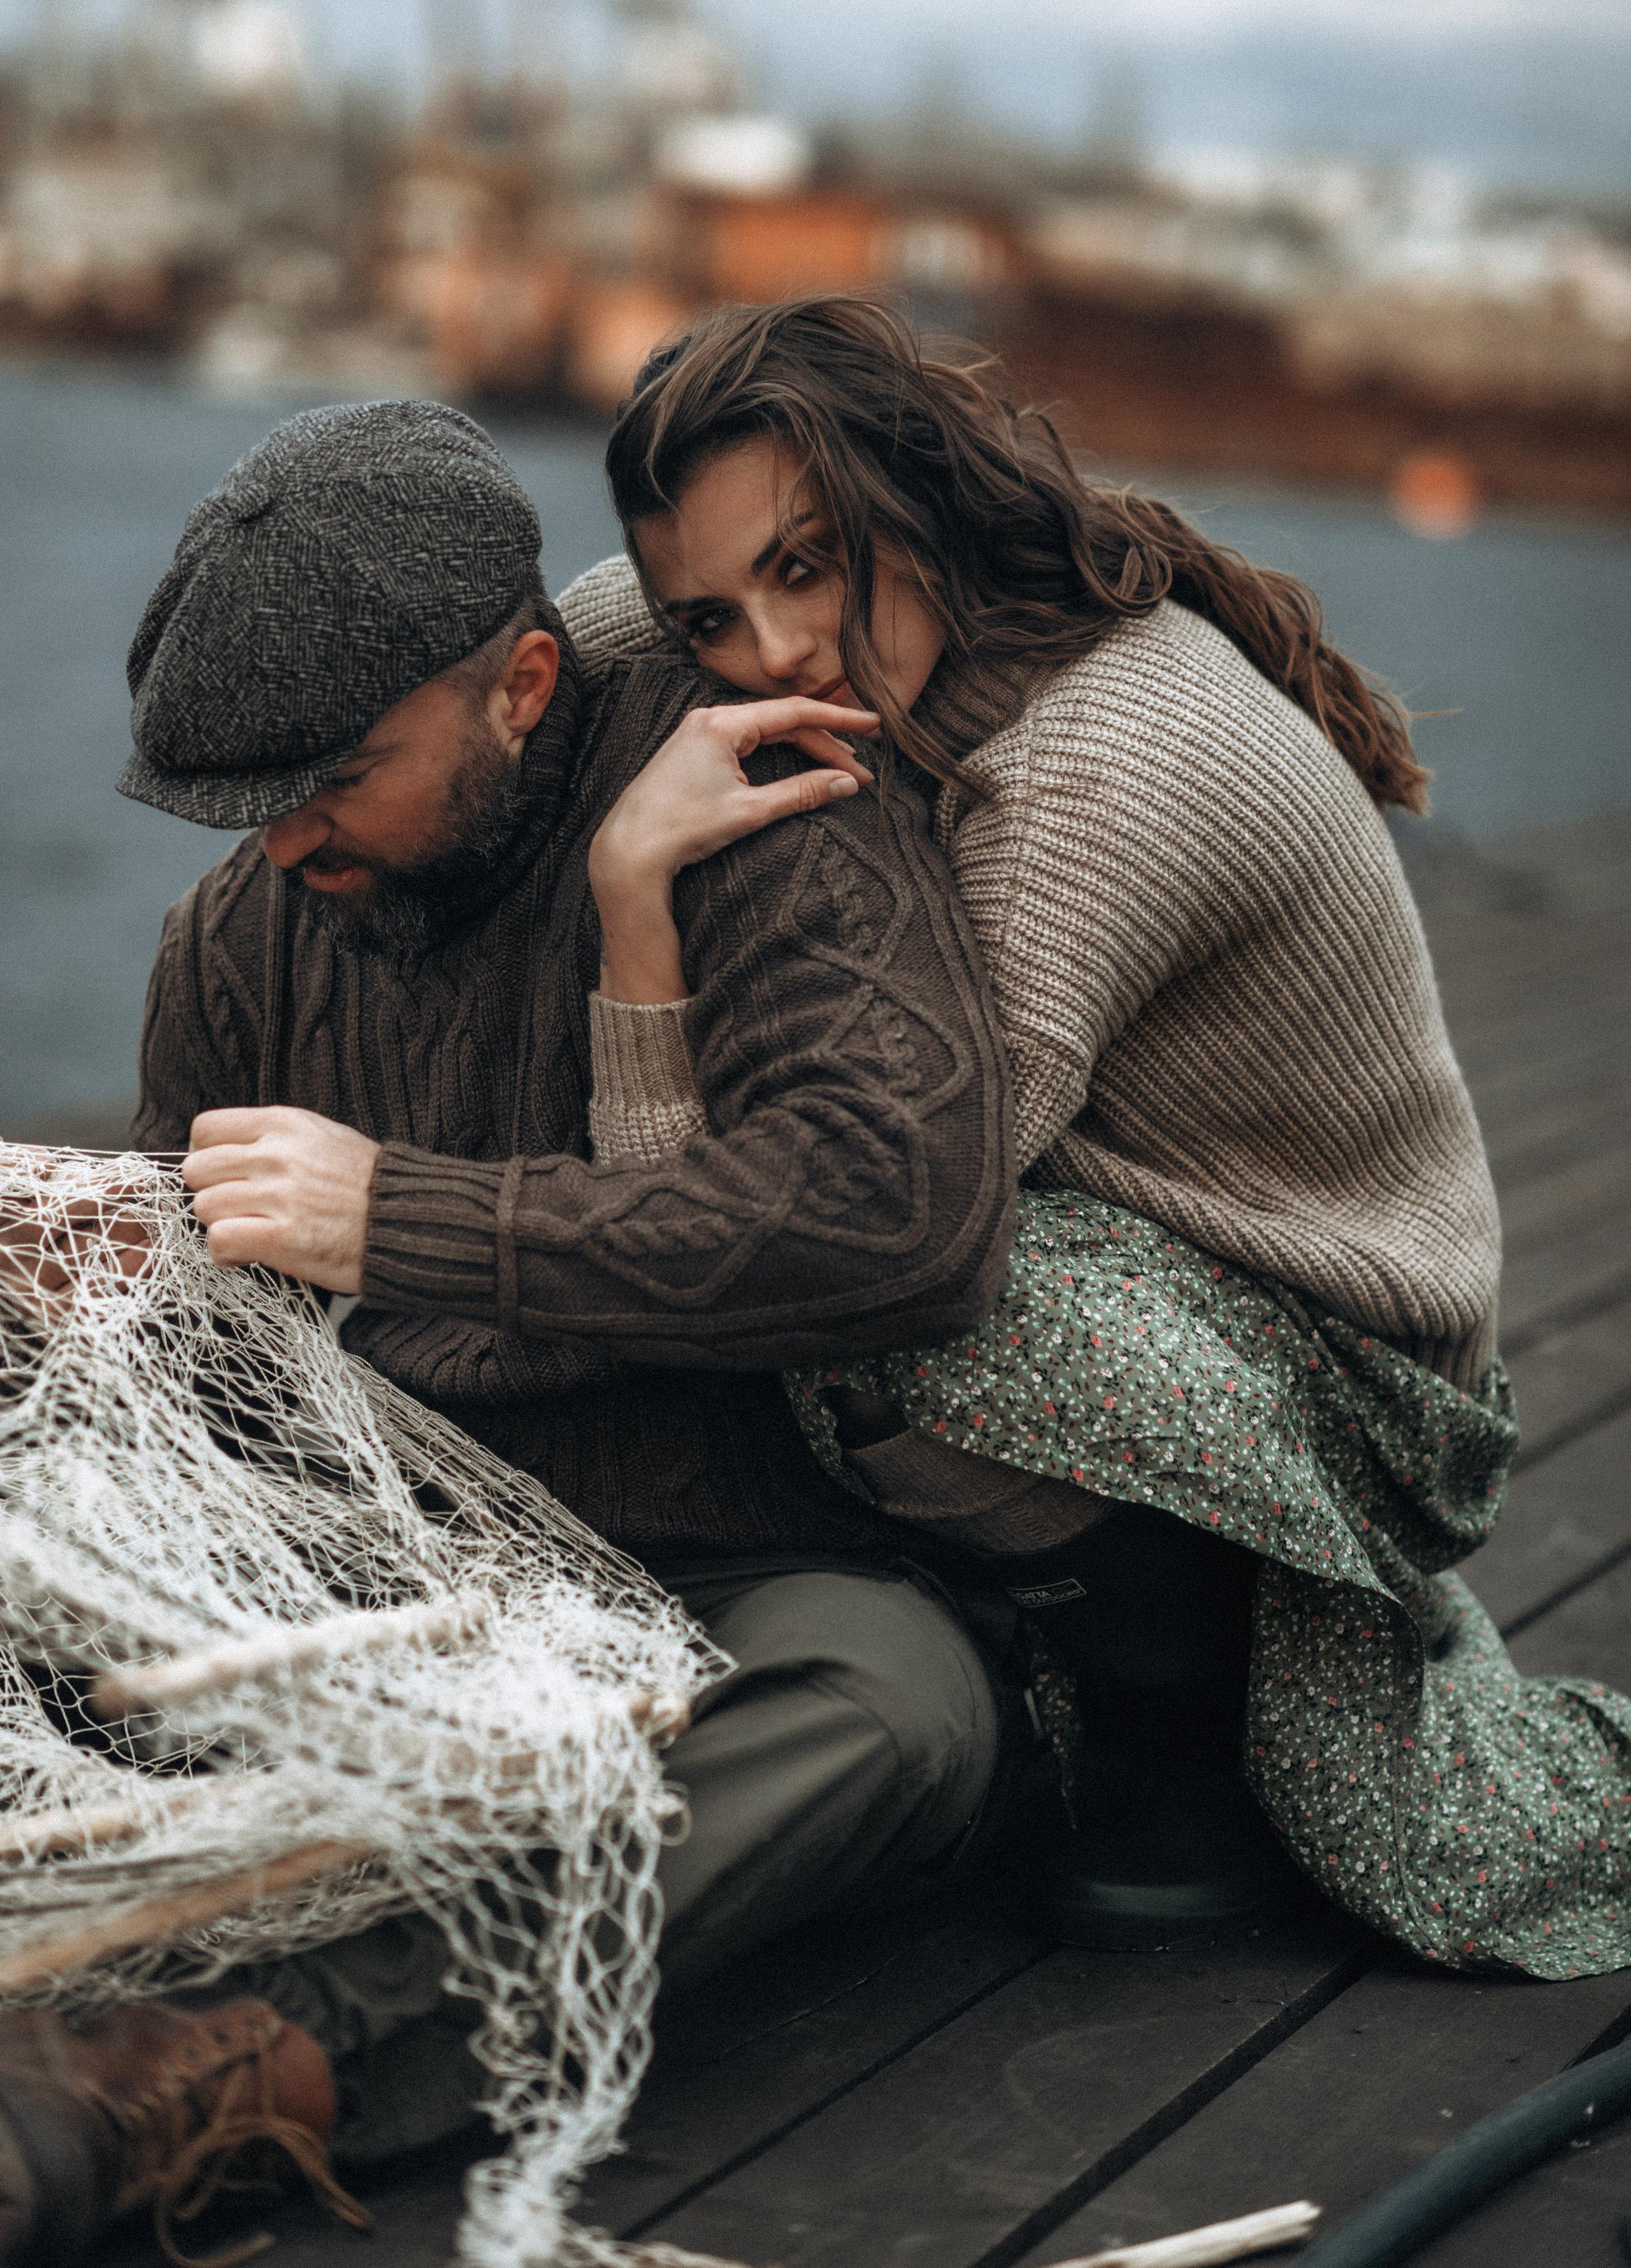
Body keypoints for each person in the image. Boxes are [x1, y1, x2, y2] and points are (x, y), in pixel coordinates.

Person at [0, 397, 1021, 2267]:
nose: (285, 841)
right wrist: (97, 1302)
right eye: (241, 805)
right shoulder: (237, 939)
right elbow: (215, 1371)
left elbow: (906, 1216)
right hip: (386, 1566)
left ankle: (238, 2068)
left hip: (745, 1567)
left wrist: (406, 1215)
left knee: (901, 1717)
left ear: (526, 682)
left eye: (334, 778)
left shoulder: (757, 798)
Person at [559, 294, 1631, 1978]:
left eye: (809, 565)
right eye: (719, 611)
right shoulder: (906, 623)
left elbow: (831, 1249)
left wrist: (634, 907)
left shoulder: (1092, 773)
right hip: (1170, 1259)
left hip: (1364, 1380)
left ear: (913, 500)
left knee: (904, 1328)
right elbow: (589, 634)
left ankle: (1170, 1701)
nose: (770, 657)